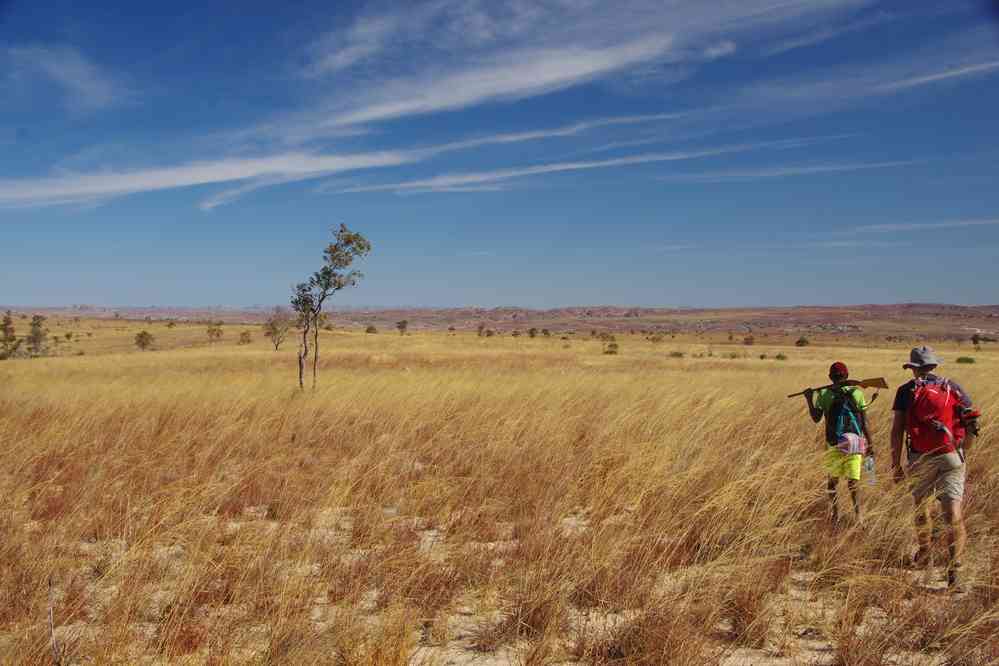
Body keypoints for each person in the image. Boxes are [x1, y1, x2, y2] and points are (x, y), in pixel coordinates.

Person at [891, 346, 979, 590]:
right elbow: (972, 422)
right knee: (953, 514)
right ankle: (955, 570)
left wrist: (895, 464)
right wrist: (962, 451)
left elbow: (897, 430)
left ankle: (925, 552)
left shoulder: (906, 391)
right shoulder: (953, 387)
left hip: (920, 457)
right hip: (951, 455)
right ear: (934, 365)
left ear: (912, 368)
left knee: (921, 507)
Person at [804, 361, 874, 524]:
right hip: (855, 443)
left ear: (830, 377)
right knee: (853, 482)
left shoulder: (825, 395)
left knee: (832, 482)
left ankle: (835, 515)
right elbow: (864, 422)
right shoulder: (857, 393)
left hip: (834, 443)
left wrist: (809, 399)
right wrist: (871, 444)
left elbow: (816, 418)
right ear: (847, 376)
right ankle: (859, 518)